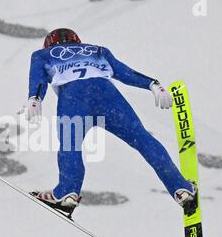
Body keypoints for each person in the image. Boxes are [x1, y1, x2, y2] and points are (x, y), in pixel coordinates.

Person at [19, 28, 196, 216]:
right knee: (143, 140)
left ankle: (68, 192)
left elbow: (38, 78)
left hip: (73, 98)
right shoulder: (98, 50)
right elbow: (123, 72)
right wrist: (153, 84)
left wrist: (35, 99)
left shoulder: (42, 54)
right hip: (107, 95)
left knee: (70, 147)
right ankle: (181, 189)